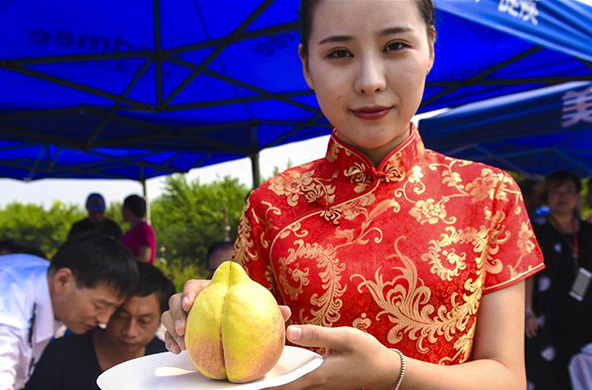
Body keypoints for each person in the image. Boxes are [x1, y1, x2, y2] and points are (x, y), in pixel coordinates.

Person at [160, 1, 545, 390]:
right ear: (307, 65)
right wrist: (202, 320)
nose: (370, 81)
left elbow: (507, 378)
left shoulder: (489, 194)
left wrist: (391, 372)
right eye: (339, 53)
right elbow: (246, 364)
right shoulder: (270, 206)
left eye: (395, 45)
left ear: (430, 46)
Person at [0, 233, 138, 390]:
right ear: (63, 280)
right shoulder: (3, 322)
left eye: (113, 309)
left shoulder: (37, 271)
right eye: (99, 306)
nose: (104, 319)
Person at [24, 262, 175, 390]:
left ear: (161, 319)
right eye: (121, 317)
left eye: (144, 321)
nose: (130, 331)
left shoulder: (168, 365)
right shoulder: (59, 357)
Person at [525, 171, 592, 390]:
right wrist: (527, 311)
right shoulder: (536, 230)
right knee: (546, 370)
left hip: (583, 313)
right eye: (556, 191)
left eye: (569, 191)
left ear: (578, 196)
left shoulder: (587, 232)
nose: (563, 197)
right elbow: (527, 273)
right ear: (547, 195)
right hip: (546, 310)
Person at [120, 195, 156, 264]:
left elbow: (144, 257)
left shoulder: (144, 229)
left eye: (123, 208)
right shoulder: (131, 231)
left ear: (129, 210)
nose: (121, 211)